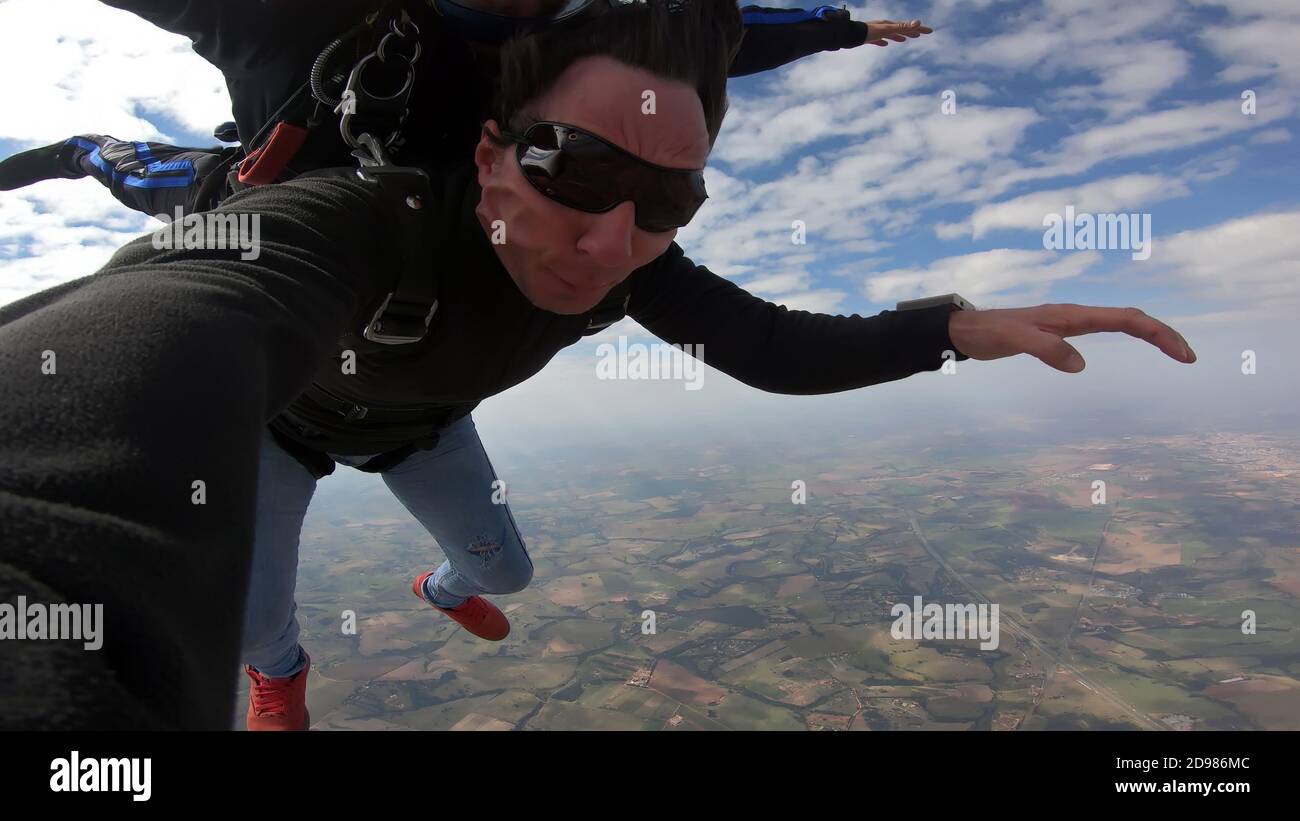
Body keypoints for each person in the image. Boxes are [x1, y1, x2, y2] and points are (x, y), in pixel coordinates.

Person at [0, 0, 1195, 732]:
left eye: (670, 197)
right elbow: (161, 331)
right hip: (279, 434)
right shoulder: (365, 218)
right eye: (572, 167)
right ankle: (284, 669)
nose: (613, 236)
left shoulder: (630, 268)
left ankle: (435, 589)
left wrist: (949, 326)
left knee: (502, 576)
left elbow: (774, 350)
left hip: (425, 432)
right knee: (252, 625)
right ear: (490, 152)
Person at [0, 1, 932, 216]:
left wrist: (841, 27)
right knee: (132, 170)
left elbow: (720, 36)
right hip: (274, 198)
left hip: (427, 231)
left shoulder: (586, 29)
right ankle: (78, 150)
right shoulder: (289, 12)